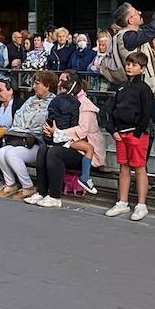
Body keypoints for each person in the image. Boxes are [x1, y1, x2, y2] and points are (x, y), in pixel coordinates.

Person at [33, 72, 105, 208]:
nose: (59, 84)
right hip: (70, 144)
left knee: (55, 152)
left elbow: (82, 131)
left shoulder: (85, 105)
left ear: (72, 84)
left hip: (86, 151)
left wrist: (57, 132)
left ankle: (54, 196)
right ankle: (41, 192)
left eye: (63, 81)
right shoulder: (64, 100)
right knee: (44, 148)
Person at [102, 54, 155, 221]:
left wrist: (138, 132)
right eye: (128, 64)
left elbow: (147, 113)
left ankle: (141, 205)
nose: (129, 67)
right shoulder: (121, 87)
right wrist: (112, 130)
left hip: (136, 133)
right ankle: (123, 202)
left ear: (142, 68)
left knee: (140, 168)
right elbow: (109, 110)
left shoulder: (144, 89)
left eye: (134, 65)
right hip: (120, 133)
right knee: (124, 168)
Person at [0, 71, 57, 201]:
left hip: (38, 143)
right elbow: (18, 117)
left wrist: (26, 126)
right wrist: (25, 127)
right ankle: (10, 183)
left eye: (37, 83)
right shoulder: (30, 100)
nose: (34, 86)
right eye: (34, 83)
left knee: (12, 154)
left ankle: (28, 186)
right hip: (21, 139)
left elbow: (41, 125)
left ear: (48, 86)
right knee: (1, 152)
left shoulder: (54, 102)